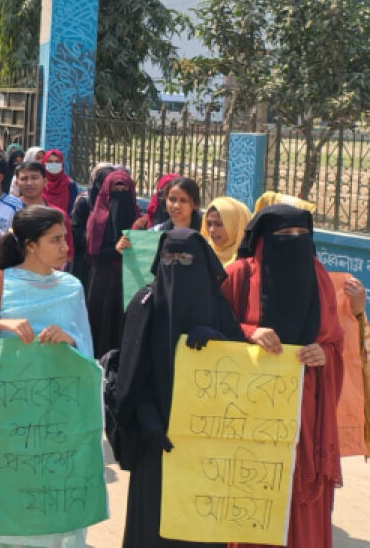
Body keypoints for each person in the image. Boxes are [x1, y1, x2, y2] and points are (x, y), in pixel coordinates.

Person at [0, 205, 96, 547]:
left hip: (59, 418)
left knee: (54, 506)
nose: (67, 247)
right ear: (31, 245)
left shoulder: (72, 287)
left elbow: (88, 353)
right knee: (10, 506)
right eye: (56, 240)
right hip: (11, 419)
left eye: (65, 238)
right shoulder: (0, 281)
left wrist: (69, 340)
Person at [112, 228, 246, 548]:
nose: (176, 265)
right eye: (170, 258)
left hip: (206, 444)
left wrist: (217, 340)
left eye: (186, 259)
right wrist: (149, 422)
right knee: (153, 528)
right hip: (155, 442)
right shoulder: (144, 305)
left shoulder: (219, 309)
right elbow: (130, 375)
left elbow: (243, 373)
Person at [221, 205, 344, 548]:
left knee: (301, 505)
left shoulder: (317, 274)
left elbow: (333, 340)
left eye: (300, 235)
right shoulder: (238, 275)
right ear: (261, 240)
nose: (293, 242)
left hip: (304, 415)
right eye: (283, 235)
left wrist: (323, 355)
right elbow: (212, 332)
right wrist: (248, 331)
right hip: (250, 414)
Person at [85, 169, 140, 358]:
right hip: (104, 280)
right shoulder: (96, 219)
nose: (121, 192)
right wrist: (114, 249)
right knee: (103, 324)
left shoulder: (137, 216)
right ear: (107, 191)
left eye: (125, 188)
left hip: (131, 279)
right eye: (116, 188)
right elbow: (93, 252)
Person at [116, 177, 202, 254]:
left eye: (183, 201)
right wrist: (123, 246)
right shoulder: (156, 232)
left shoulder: (206, 233)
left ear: (195, 204)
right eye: (172, 199)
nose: (176, 205)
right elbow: (138, 254)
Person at [69, 163, 114, 291]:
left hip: (109, 266)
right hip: (85, 263)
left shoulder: (118, 202)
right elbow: (76, 234)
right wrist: (98, 238)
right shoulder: (85, 202)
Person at [16, 161, 73, 259]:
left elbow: (68, 253)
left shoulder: (58, 215)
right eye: (24, 179)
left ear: (45, 182)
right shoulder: (10, 210)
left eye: (35, 178)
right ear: (17, 183)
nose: (29, 183)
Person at [201, 196, 251, 266]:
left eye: (218, 224)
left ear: (236, 226)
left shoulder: (249, 264)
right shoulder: (202, 254)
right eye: (209, 224)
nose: (211, 230)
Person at [41, 149, 80, 214]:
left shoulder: (70, 184)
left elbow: (73, 210)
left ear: (62, 164)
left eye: (57, 162)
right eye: (50, 162)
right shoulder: (39, 183)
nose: (54, 164)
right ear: (44, 164)